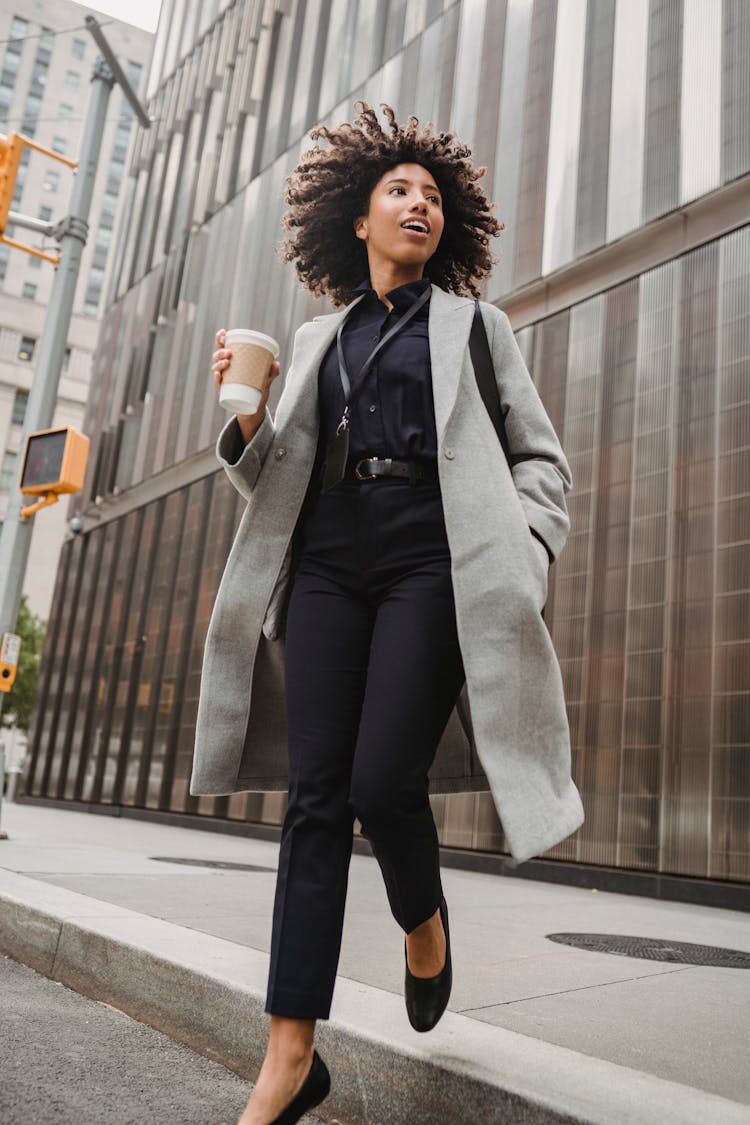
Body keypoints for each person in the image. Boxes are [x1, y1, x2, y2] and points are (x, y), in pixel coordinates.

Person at [191, 102, 584, 1125]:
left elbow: (539, 457)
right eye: (400, 190)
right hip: (327, 559)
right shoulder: (320, 339)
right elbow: (273, 478)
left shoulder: (475, 328)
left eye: (433, 195)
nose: (421, 203)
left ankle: (422, 917)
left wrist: (526, 554)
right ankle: (288, 1055)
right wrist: (246, 414)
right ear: (357, 219)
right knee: (317, 795)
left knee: (380, 778)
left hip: (432, 557)